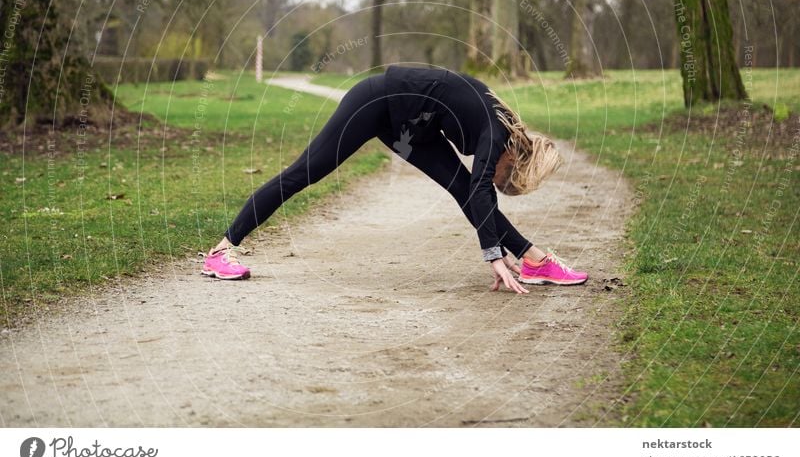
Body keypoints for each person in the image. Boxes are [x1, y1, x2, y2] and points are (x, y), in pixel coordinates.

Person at [202, 66, 588, 293]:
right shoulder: (496, 132)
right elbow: (483, 188)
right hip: (376, 103)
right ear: (514, 158)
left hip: (412, 128)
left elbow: (476, 190)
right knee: (304, 173)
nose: (502, 179)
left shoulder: (503, 126)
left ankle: (535, 261)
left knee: (462, 187)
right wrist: (492, 255)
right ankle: (221, 251)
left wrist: (497, 245)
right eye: (510, 178)